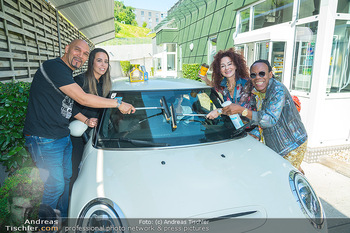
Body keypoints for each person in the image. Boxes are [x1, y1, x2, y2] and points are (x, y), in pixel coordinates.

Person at [23, 39, 135, 218]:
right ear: (67, 48)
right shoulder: (54, 67)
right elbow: (82, 99)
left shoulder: (67, 74)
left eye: (84, 54)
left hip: (62, 135)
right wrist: (117, 104)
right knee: (55, 185)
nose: (80, 56)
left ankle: (65, 220)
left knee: (67, 180)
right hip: (43, 138)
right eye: (77, 51)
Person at [222, 59, 307, 172]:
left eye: (262, 73)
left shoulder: (278, 90)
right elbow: (260, 118)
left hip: (292, 145)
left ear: (270, 74)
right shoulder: (258, 92)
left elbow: (269, 119)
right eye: (254, 75)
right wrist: (255, 134)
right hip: (275, 144)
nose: (258, 77)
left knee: (284, 178)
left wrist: (242, 110)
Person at [69, 48, 111, 191]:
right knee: (75, 170)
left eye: (106, 61)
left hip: (96, 133)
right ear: (91, 62)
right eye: (99, 60)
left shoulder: (105, 83)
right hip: (77, 133)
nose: (103, 65)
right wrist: (86, 120)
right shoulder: (79, 80)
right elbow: (69, 106)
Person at [200, 48, 254, 119]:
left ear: (236, 65)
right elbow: (214, 86)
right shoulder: (224, 85)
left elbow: (237, 109)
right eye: (222, 66)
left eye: (229, 64)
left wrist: (219, 111)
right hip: (234, 126)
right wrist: (206, 79)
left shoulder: (246, 83)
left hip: (250, 127)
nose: (226, 68)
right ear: (219, 70)